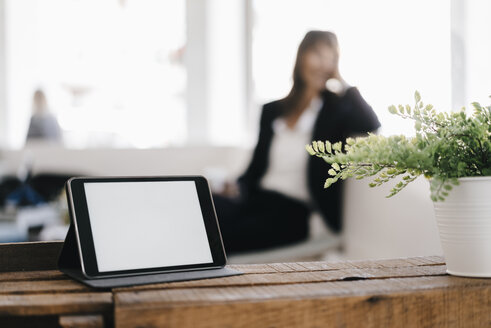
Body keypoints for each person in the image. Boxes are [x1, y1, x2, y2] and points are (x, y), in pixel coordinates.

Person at [214, 31, 380, 255]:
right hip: (257, 199)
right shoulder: (271, 111)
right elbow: (256, 167)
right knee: (205, 208)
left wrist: (342, 81)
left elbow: (370, 123)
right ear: (302, 56)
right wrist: (234, 185)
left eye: (331, 58)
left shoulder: (335, 111)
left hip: (293, 213)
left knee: (222, 236)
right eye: (318, 55)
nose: (324, 64)